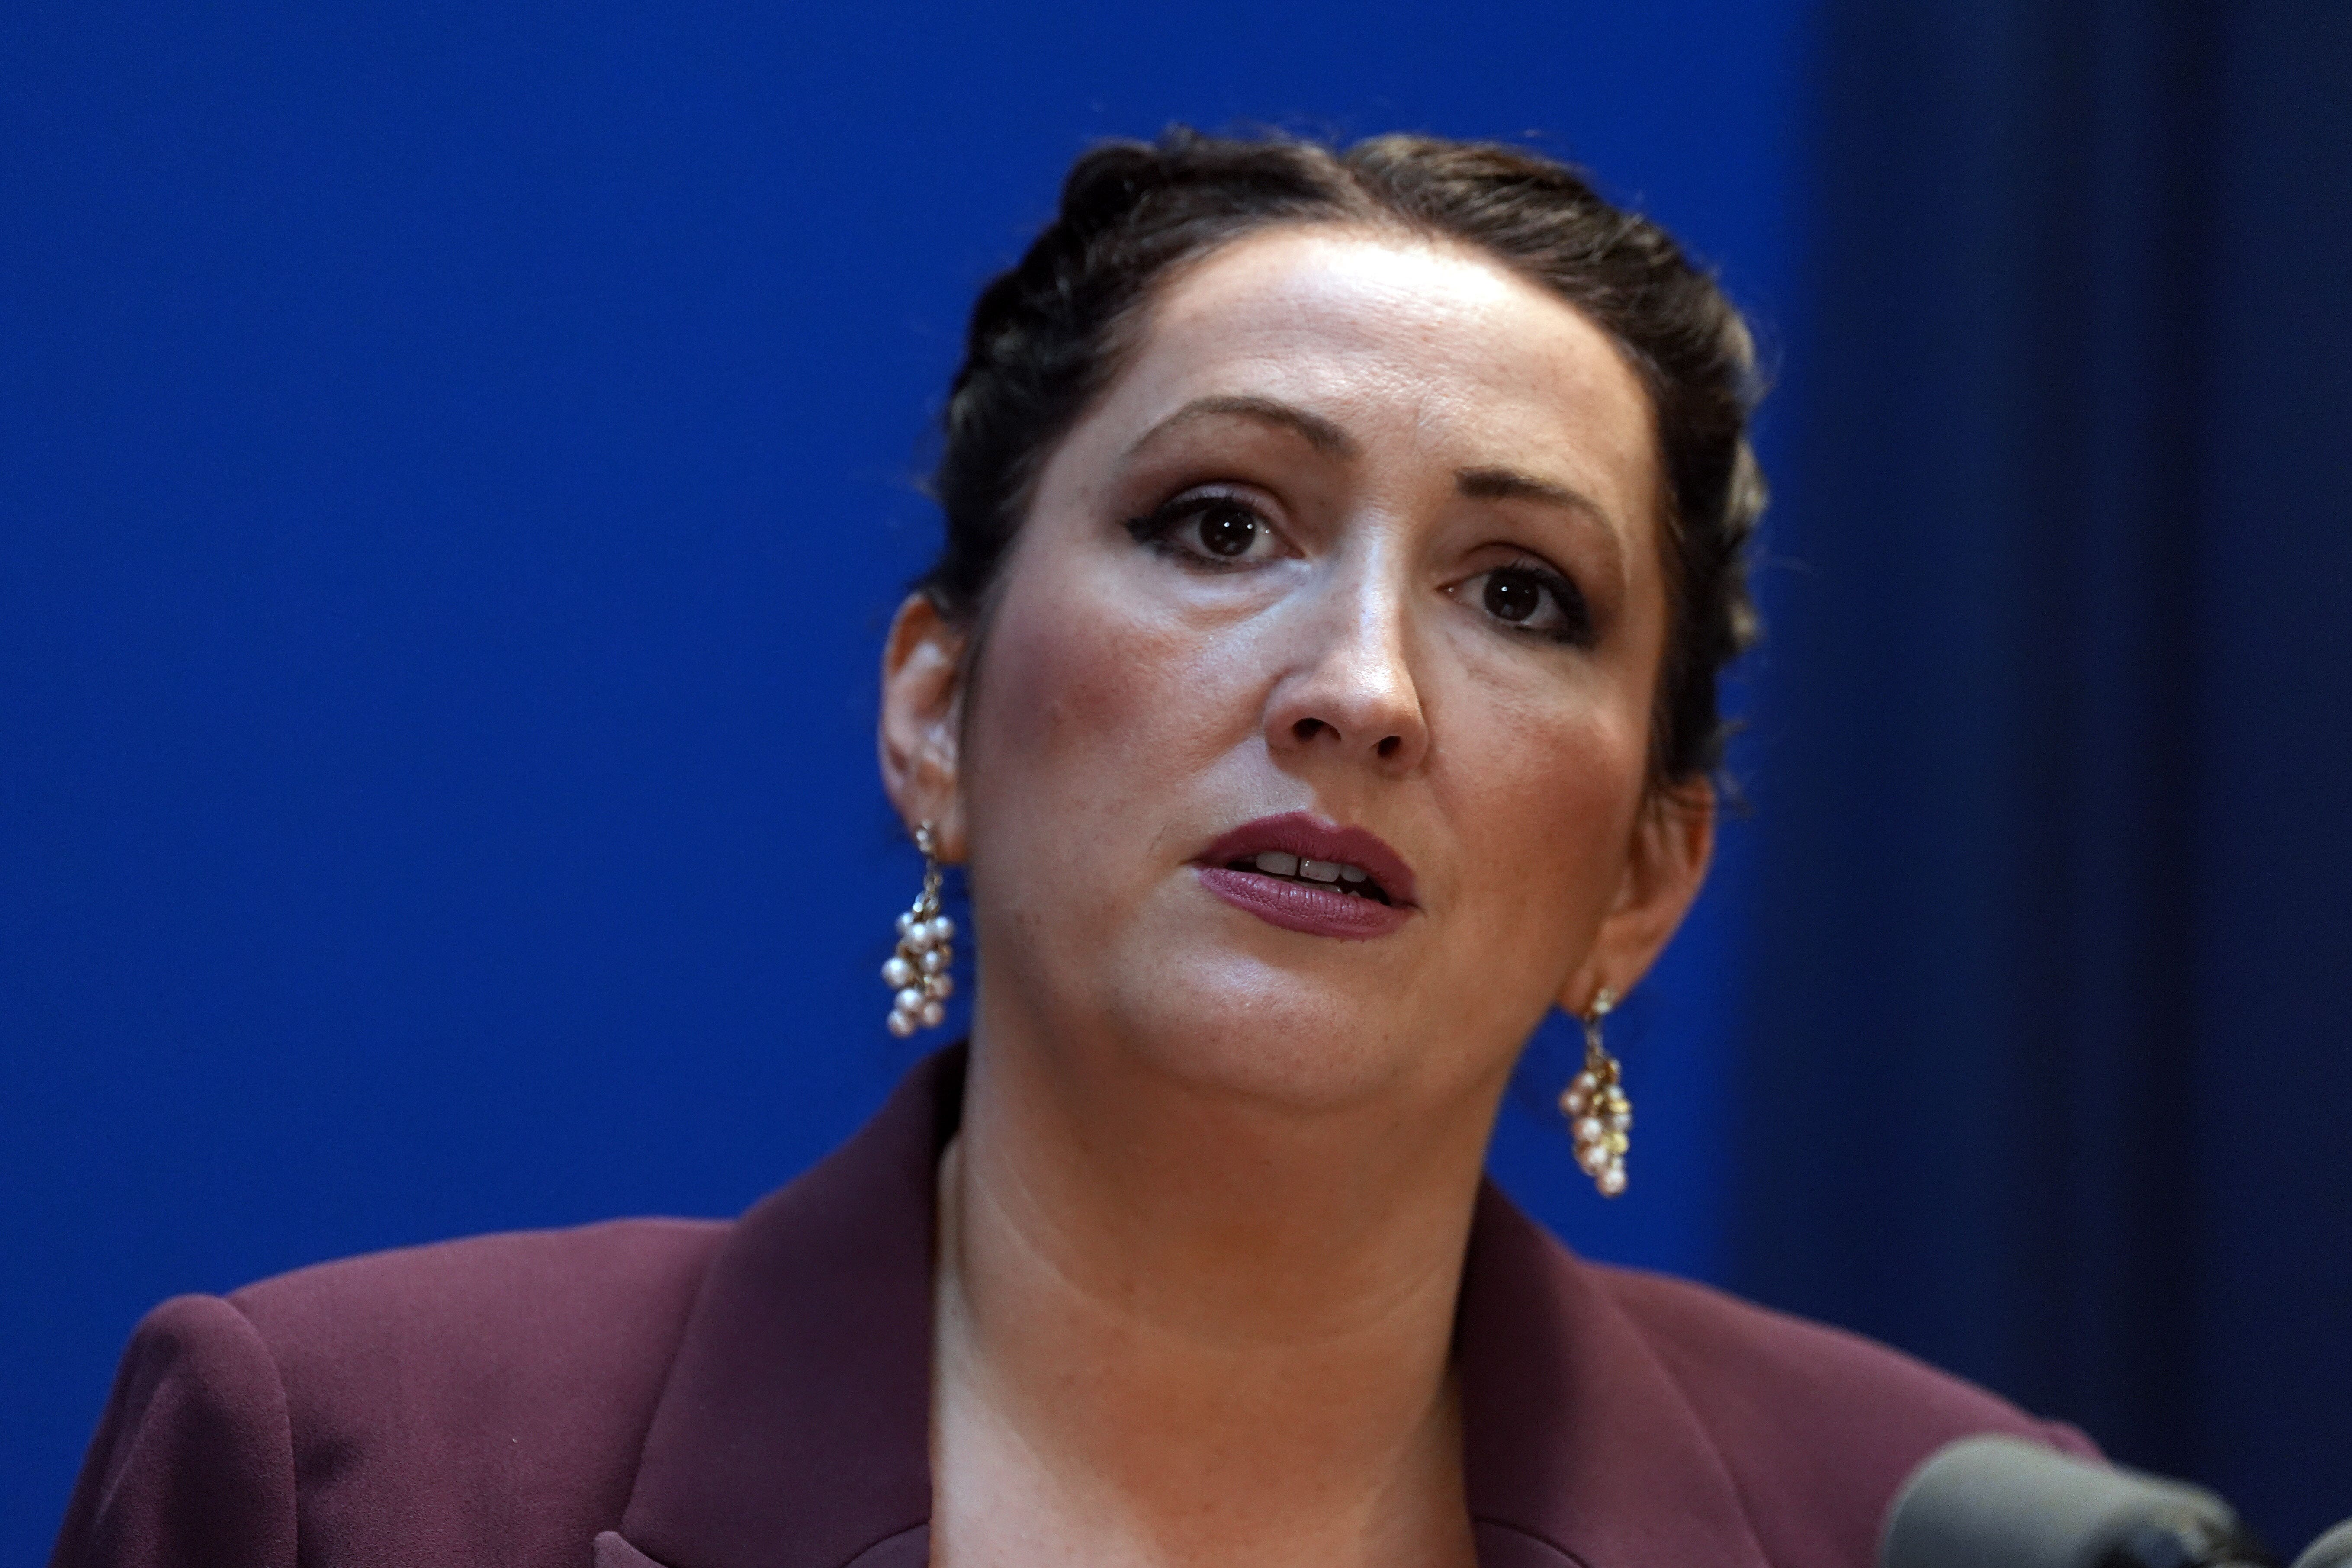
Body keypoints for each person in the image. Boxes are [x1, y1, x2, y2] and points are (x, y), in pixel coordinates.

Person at [51, 129, 2091, 1568]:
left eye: (1521, 595)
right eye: (1221, 526)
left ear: (1648, 878)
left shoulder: (1956, 1530)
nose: (1362, 688)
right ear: (935, 714)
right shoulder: (349, 1475)